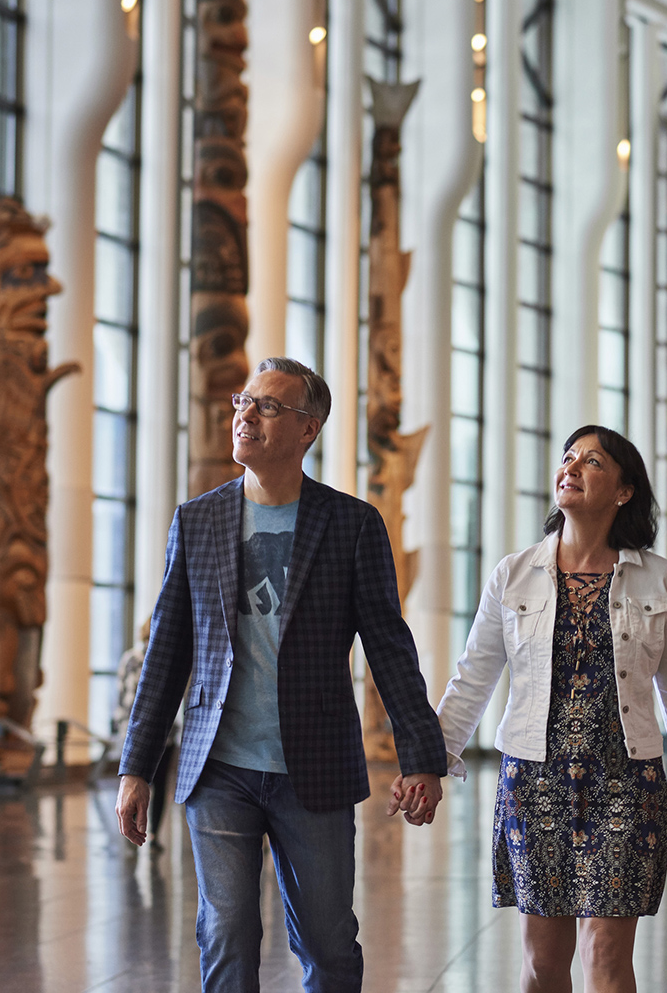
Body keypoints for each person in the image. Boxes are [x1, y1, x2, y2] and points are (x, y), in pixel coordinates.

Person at [115, 357, 447, 993]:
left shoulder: (351, 525)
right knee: (225, 932)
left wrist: (421, 757)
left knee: (326, 943)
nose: (245, 414)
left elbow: (388, 645)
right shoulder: (198, 520)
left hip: (313, 769)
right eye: (244, 401)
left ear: (308, 430)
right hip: (218, 765)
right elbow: (168, 652)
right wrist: (137, 768)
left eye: (268, 406)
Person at [393, 425, 667, 993]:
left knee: (606, 955)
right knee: (544, 964)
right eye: (568, 459)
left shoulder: (657, 577)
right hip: (535, 780)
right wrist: (430, 762)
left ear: (624, 490)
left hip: (627, 780)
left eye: (593, 462)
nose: (572, 468)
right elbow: (474, 675)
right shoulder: (513, 573)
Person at [112, 616, 176, 849]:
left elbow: (121, 696)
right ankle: (152, 834)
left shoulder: (130, 658)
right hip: (162, 734)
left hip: (133, 733)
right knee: (157, 785)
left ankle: (133, 831)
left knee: (134, 783)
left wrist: (119, 725)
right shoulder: (161, 659)